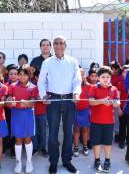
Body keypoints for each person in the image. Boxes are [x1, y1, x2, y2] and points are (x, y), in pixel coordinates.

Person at [38, 36, 82, 174]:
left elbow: (77, 80)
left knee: (68, 132)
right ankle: (53, 162)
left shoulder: (73, 61)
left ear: (65, 45)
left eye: (61, 43)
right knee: (53, 133)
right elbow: (41, 82)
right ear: (53, 46)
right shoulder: (47, 62)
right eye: (56, 43)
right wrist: (43, 95)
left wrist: (76, 93)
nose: (58, 45)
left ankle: (67, 161)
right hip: (53, 100)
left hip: (70, 100)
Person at [88, 66, 120, 173]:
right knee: (96, 142)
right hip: (95, 121)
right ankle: (97, 161)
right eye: (103, 77)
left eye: (107, 77)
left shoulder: (114, 89)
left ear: (110, 78)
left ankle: (107, 161)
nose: (105, 79)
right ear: (98, 78)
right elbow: (91, 102)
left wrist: (114, 102)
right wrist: (102, 101)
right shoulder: (94, 88)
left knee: (107, 143)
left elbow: (117, 103)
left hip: (109, 122)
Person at [7, 67, 37, 173]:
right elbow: (8, 99)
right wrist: (10, 101)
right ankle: (18, 162)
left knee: (28, 138)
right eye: (20, 74)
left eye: (25, 74)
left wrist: (28, 103)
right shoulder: (12, 86)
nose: (22, 77)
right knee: (18, 139)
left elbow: (34, 102)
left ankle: (29, 162)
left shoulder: (33, 87)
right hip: (16, 114)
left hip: (28, 114)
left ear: (29, 76)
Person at [73, 67, 90, 157]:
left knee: (85, 129)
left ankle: (85, 145)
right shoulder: (73, 87)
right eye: (79, 74)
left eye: (83, 74)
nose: (81, 76)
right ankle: (76, 147)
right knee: (76, 130)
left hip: (85, 110)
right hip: (76, 111)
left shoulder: (88, 86)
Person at [32, 69, 48, 157]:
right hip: (34, 113)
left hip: (44, 113)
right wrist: (38, 98)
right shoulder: (34, 88)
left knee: (43, 131)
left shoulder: (48, 88)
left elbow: (48, 99)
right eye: (39, 77)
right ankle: (35, 147)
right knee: (35, 131)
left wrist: (41, 98)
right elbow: (33, 98)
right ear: (36, 77)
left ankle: (43, 148)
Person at [117, 65, 129, 149]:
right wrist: (118, 109)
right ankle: (122, 141)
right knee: (122, 125)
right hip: (123, 108)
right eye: (125, 72)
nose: (127, 73)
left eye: (128, 72)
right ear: (122, 74)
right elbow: (117, 97)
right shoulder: (120, 83)